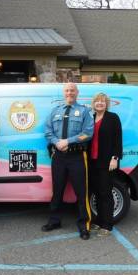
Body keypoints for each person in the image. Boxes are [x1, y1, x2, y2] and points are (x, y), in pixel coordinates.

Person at [42, 83, 94, 240]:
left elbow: (88, 133)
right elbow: (47, 131)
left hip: (77, 156)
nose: (69, 93)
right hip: (58, 156)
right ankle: (54, 220)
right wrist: (57, 142)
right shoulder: (55, 111)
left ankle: (84, 225)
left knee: (81, 192)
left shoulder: (84, 111)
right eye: (67, 90)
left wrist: (68, 141)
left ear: (77, 93)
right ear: (63, 93)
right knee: (57, 191)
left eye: (72, 90)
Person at [88, 92, 123, 237]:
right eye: (97, 101)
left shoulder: (112, 118)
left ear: (106, 104)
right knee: (96, 192)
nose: (100, 103)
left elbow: (118, 139)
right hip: (92, 161)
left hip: (107, 162)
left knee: (105, 193)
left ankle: (107, 225)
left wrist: (115, 158)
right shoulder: (92, 118)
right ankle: (98, 221)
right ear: (93, 104)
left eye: (102, 101)